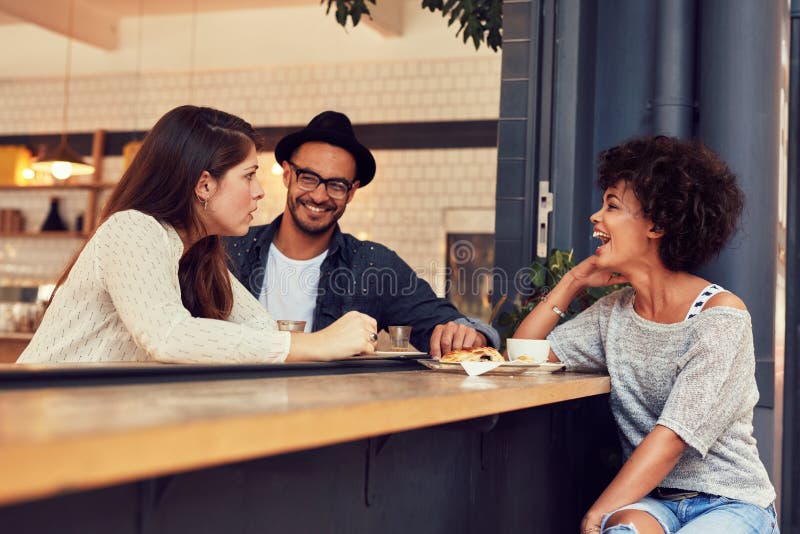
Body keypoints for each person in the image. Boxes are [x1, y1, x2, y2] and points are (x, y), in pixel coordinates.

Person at [512, 136, 778, 533]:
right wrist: (574, 280)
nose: (595, 217)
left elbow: (673, 438)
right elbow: (522, 356)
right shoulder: (614, 313)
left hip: (732, 502)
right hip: (652, 502)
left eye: (612, 206)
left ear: (657, 224)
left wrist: (594, 515)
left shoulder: (721, 317)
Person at [17, 105, 378, 365]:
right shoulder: (132, 228)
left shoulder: (199, 254)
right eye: (249, 175)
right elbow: (169, 337)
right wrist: (320, 343)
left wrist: (332, 340)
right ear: (204, 185)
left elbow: (260, 331)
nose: (259, 192)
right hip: (29, 429)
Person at [224, 110, 499, 357]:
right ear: (287, 174)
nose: (319, 196)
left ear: (352, 191)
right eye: (308, 178)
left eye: (336, 185)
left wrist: (468, 334)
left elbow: (444, 322)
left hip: (333, 410)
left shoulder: (373, 265)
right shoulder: (228, 249)